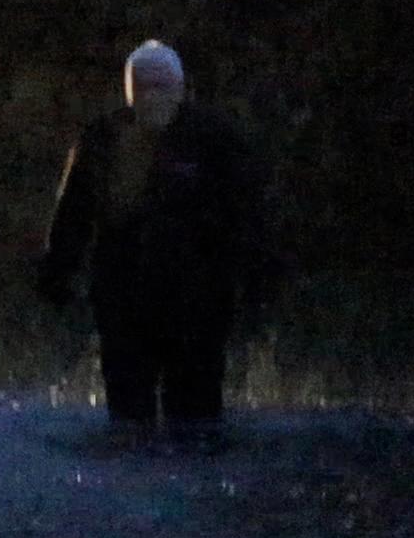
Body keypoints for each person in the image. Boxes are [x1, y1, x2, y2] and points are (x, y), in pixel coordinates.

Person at [35, 38, 270, 439]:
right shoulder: (113, 139)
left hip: (183, 302)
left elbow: (246, 213)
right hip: (154, 302)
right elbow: (74, 213)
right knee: (168, 417)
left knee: (171, 415)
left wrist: (58, 273)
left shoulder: (204, 139)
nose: (155, 99)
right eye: (149, 89)